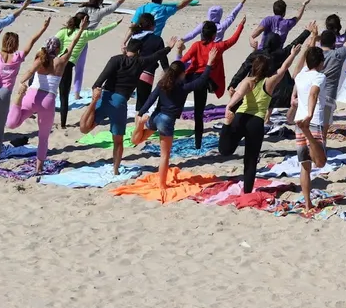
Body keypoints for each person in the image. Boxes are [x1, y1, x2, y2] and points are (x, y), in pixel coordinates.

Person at [79, 36, 177, 175]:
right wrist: (169, 47)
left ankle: (92, 103)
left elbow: (102, 77)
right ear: (138, 51)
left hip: (105, 97)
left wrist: (96, 88)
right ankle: (115, 170)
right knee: (118, 141)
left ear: (127, 48)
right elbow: (156, 55)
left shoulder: (115, 59)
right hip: (120, 102)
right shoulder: (140, 61)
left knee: (85, 128)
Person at [7, 18, 88, 174]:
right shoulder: (61, 61)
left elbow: (29, 72)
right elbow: (74, 44)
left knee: (12, 123)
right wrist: (81, 29)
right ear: (58, 49)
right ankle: (39, 168)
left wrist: (22, 83)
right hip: (48, 100)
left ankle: (17, 99)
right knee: (43, 137)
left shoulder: (40, 59)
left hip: (32, 95)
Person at [132, 49, 218, 191]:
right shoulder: (183, 87)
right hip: (166, 121)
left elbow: (151, 98)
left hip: (155, 116)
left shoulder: (162, 83)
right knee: (165, 155)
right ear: (182, 74)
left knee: (137, 140)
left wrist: (141, 112)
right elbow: (201, 80)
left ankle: (140, 125)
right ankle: (162, 185)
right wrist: (209, 64)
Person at [219, 45, 302, 193]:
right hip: (256, 122)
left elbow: (239, 95)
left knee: (225, 150)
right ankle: (247, 192)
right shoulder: (269, 82)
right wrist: (293, 54)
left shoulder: (247, 81)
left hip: (241, 117)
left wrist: (229, 105)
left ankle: (226, 126)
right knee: (250, 161)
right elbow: (284, 67)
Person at [0, 18, 51, 159]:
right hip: (4, 93)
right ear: (16, 43)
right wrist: (43, 28)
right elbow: (32, 41)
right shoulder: (18, 57)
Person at [228, 21, 315, 126]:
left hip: (252, 82)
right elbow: (294, 44)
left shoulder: (255, 55)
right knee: (271, 94)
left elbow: (243, 69)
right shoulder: (279, 54)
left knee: (249, 100)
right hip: (268, 84)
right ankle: (266, 118)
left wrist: (233, 84)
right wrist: (307, 32)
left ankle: (248, 116)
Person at [181, 16, 246, 148]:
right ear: (214, 34)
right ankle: (198, 143)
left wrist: (173, 71)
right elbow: (233, 40)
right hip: (204, 81)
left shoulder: (196, 45)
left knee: (178, 100)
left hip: (191, 78)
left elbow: (183, 60)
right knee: (199, 113)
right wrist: (240, 25)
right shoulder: (217, 47)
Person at [55, 13, 122, 128]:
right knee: (63, 96)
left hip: (56, 63)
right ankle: (62, 124)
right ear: (83, 22)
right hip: (67, 66)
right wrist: (115, 24)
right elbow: (101, 31)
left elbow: (53, 42)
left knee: (49, 92)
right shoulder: (85, 34)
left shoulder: (64, 31)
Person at [72, 0, 137, 98]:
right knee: (79, 68)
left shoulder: (81, 9)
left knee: (65, 65)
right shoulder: (100, 12)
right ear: (101, 0)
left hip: (71, 37)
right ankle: (76, 94)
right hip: (83, 40)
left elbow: (72, 22)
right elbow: (117, 4)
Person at [293, 47, 328, 212]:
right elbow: (313, 94)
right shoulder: (320, 76)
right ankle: (307, 131)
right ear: (321, 63)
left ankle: (308, 203)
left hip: (298, 121)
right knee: (320, 162)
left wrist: (312, 39)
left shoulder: (300, 75)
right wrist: (310, 114)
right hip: (310, 121)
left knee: (305, 166)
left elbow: (299, 66)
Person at [125, 13, 170, 112]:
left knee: (124, 98)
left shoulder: (134, 38)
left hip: (130, 71)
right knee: (142, 104)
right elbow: (163, 59)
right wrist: (168, 72)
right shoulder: (157, 40)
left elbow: (128, 55)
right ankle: (139, 126)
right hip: (147, 73)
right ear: (153, 25)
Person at [131, 0, 203, 36]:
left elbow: (132, 27)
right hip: (155, 42)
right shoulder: (165, 10)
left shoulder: (141, 8)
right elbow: (182, 4)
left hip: (139, 40)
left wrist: (124, 42)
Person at [183, 0, 248, 43]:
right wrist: (242, 2)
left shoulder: (204, 25)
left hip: (203, 50)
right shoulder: (221, 27)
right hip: (217, 51)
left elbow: (192, 34)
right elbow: (232, 16)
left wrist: (182, 40)